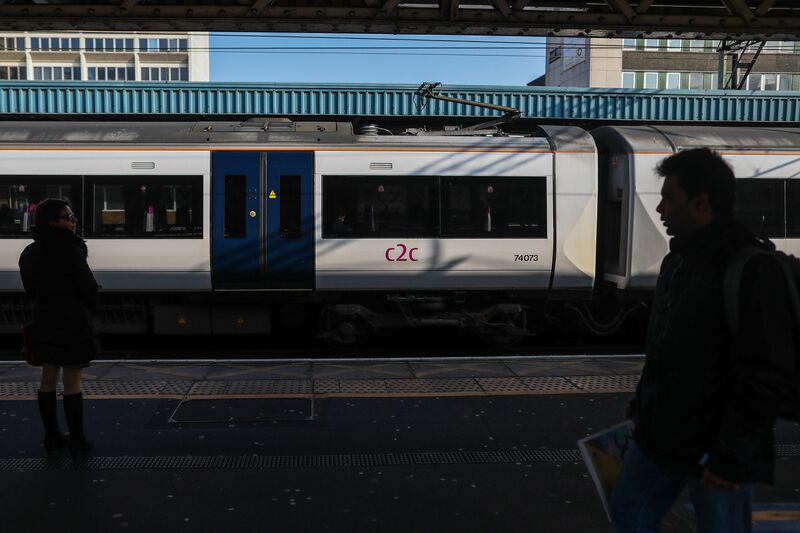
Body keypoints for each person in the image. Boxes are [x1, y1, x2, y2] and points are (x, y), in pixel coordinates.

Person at [609, 148, 797, 533]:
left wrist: (729, 457)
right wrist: (642, 397)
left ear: (701, 203)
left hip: (720, 446)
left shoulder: (752, 270)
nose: (660, 209)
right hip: (661, 434)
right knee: (628, 513)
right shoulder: (676, 262)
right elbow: (664, 343)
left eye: (668, 198)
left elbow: (765, 374)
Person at [19, 199, 99, 458]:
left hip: (43, 320)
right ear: (52, 221)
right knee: (73, 380)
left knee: (47, 379)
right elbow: (88, 287)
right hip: (72, 322)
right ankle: (77, 438)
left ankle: (51, 436)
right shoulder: (71, 250)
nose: (74, 221)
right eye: (68, 217)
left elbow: (30, 289)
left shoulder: (29, 252)